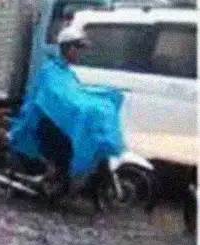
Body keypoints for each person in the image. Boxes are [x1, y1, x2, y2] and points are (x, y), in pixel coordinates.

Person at [8, 22, 125, 195]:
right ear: (68, 48)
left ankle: (61, 180)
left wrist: (100, 100)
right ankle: (50, 176)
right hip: (46, 123)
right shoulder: (50, 70)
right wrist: (81, 107)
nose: (80, 53)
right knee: (67, 147)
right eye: (78, 48)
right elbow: (59, 99)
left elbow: (78, 93)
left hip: (58, 122)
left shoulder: (67, 72)